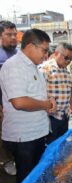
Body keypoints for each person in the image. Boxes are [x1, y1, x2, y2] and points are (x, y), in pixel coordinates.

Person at [0, 28, 57, 183]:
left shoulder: (33, 66)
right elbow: (19, 102)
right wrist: (45, 104)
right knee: (27, 180)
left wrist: (49, 99)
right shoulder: (14, 66)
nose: (46, 55)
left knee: (36, 176)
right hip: (24, 137)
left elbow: (36, 94)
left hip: (36, 133)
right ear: (31, 46)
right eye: (44, 50)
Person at [39, 43, 72, 144]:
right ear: (56, 53)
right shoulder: (45, 68)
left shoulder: (66, 72)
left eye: (70, 59)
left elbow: (68, 92)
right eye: (66, 57)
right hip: (51, 117)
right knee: (51, 146)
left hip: (64, 116)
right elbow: (38, 92)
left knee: (61, 145)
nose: (68, 61)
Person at [0, 20, 18, 175]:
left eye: (14, 34)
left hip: (18, 103)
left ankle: (15, 158)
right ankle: (7, 160)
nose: (13, 37)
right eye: (8, 34)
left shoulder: (19, 53)